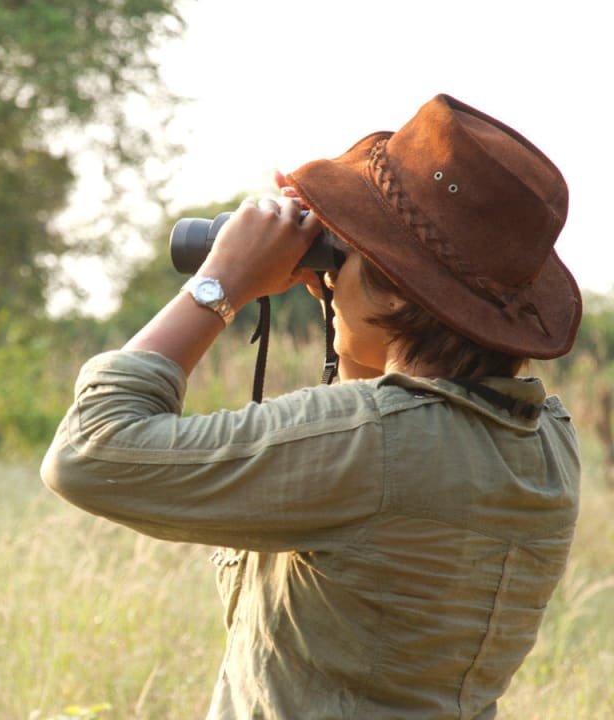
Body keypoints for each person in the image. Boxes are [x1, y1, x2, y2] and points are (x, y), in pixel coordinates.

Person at [40, 94, 581, 719]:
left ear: (400, 292)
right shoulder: (543, 441)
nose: (332, 265)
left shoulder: (375, 446)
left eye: (350, 251)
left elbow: (91, 447)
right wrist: (341, 292)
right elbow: (382, 421)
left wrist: (221, 283)